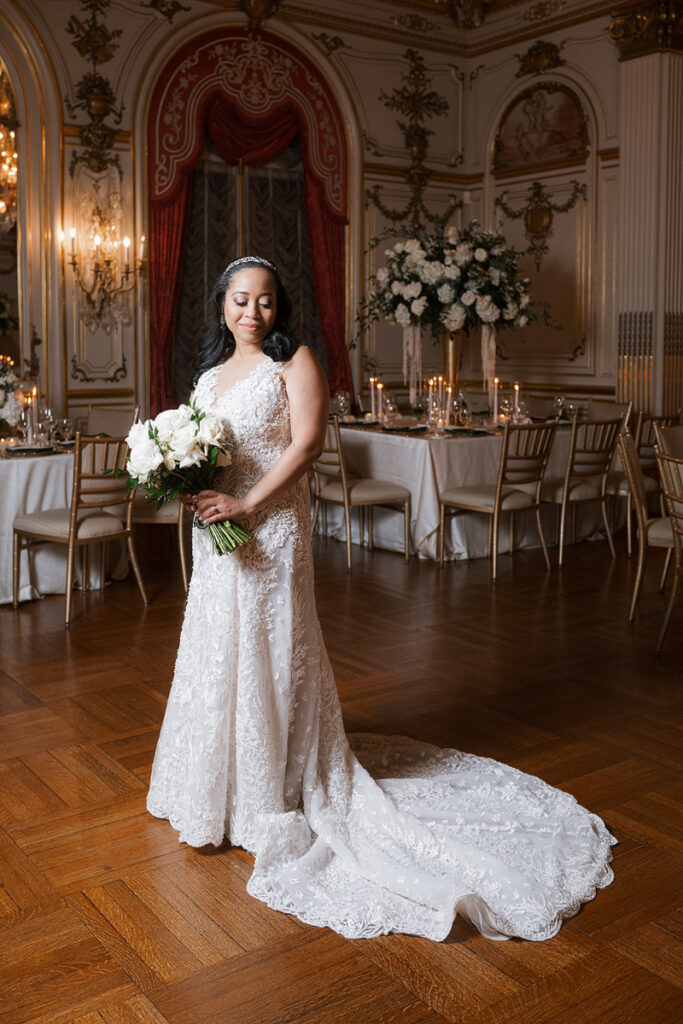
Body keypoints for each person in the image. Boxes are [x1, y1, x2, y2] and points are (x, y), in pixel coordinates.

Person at [147, 256, 616, 942]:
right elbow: (207, 448)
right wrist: (192, 483)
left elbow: (306, 445)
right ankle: (214, 785)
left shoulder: (295, 362)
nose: (252, 312)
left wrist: (247, 503)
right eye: (241, 300)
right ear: (223, 304)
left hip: (271, 526)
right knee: (218, 645)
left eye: (266, 301)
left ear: (280, 307)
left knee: (270, 646)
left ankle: (270, 786)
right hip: (219, 527)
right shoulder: (210, 376)